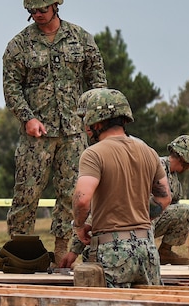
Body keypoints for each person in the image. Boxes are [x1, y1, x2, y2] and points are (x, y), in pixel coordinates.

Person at [3, 0, 107, 266]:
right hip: (37, 134)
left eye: (43, 8)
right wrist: (27, 118)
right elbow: (11, 87)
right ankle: (19, 251)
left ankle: (63, 250)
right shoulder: (19, 46)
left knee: (70, 194)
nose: (38, 14)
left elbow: (97, 81)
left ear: (55, 4)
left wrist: (91, 118)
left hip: (74, 133)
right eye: (33, 10)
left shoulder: (81, 39)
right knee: (26, 193)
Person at [71, 88, 171, 288]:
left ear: (98, 123)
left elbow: (82, 199)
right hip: (147, 249)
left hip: (112, 252)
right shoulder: (148, 152)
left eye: (88, 123)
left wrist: (79, 226)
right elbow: (164, 198)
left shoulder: (94, 154)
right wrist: (137, 215)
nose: (87, 128)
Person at [154, 135, 189, 265]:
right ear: (185, 158)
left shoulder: (174, 179)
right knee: (187, 210)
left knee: (187, 211)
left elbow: (176, 207)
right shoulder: (156, 166)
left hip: (153, 219)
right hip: (140, 219)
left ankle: (165, 252)